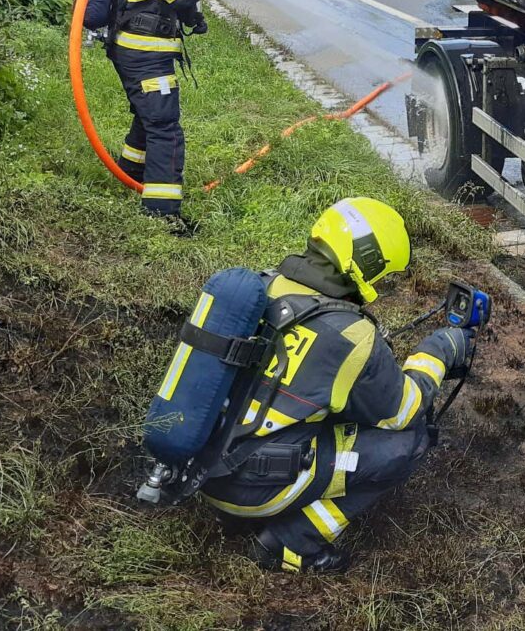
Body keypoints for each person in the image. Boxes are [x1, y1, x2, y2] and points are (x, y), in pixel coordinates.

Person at [198, 197, 474, 573]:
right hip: (255, 485)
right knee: (408, 443)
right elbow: (403, 412)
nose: (380, 283)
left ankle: (239, 515)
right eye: (382, 274)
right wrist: (440, 350)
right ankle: (291, 543)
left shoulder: (265, 287)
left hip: (204, 468)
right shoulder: (350, 335)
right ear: (366, 263)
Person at [111, 0, 228, 223]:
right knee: (165, 129)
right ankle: (162, 213)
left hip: (130, 50)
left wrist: (194, 19)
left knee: (147, 118)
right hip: (146, 54)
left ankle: (129, 174)